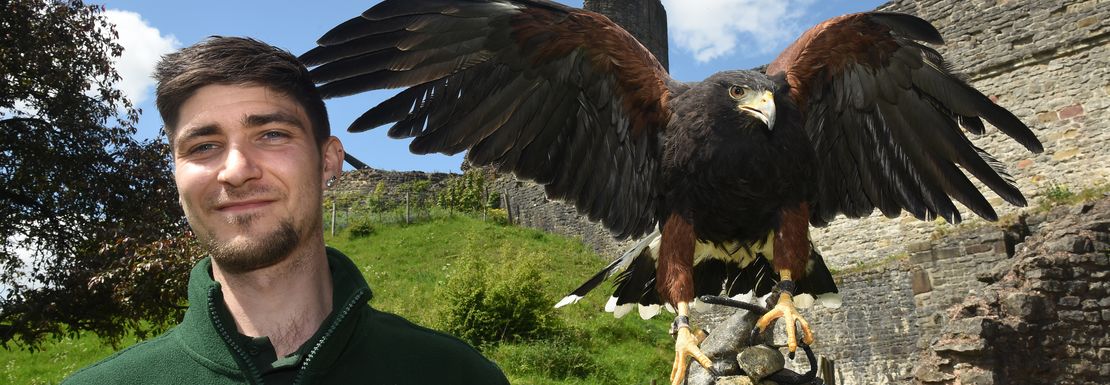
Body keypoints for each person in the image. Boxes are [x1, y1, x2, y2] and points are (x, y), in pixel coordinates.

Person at [63, 36, 509, 385]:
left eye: (272, 134)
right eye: (203, 146)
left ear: (328, 162)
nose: (235, 171)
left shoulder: (455, 376)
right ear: (177, 175)